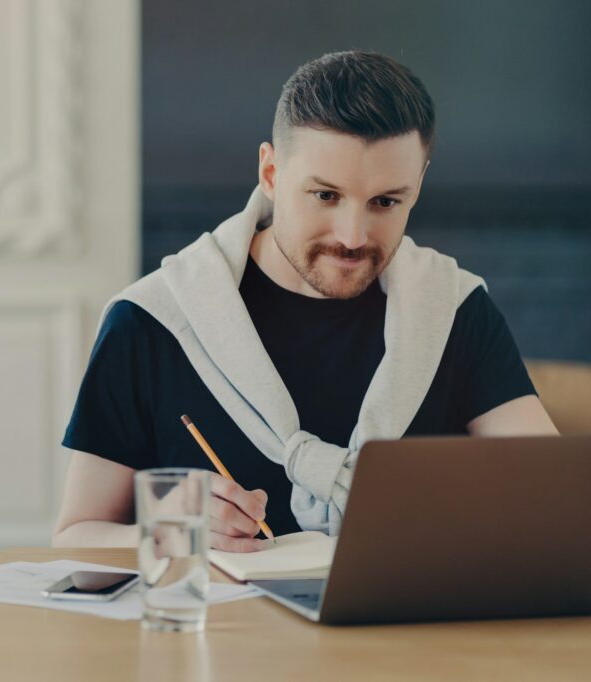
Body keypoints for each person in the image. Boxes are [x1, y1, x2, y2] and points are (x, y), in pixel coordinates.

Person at [52, 50, 558, 553]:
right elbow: (74, 541)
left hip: (407, 633)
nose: (354, 236)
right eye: (325, 196)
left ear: (418, 185)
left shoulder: (453, 309)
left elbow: (555, 501)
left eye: (386, 202)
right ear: (271, 174)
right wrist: (167, 533)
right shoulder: (151, 321)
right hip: (220, 632)